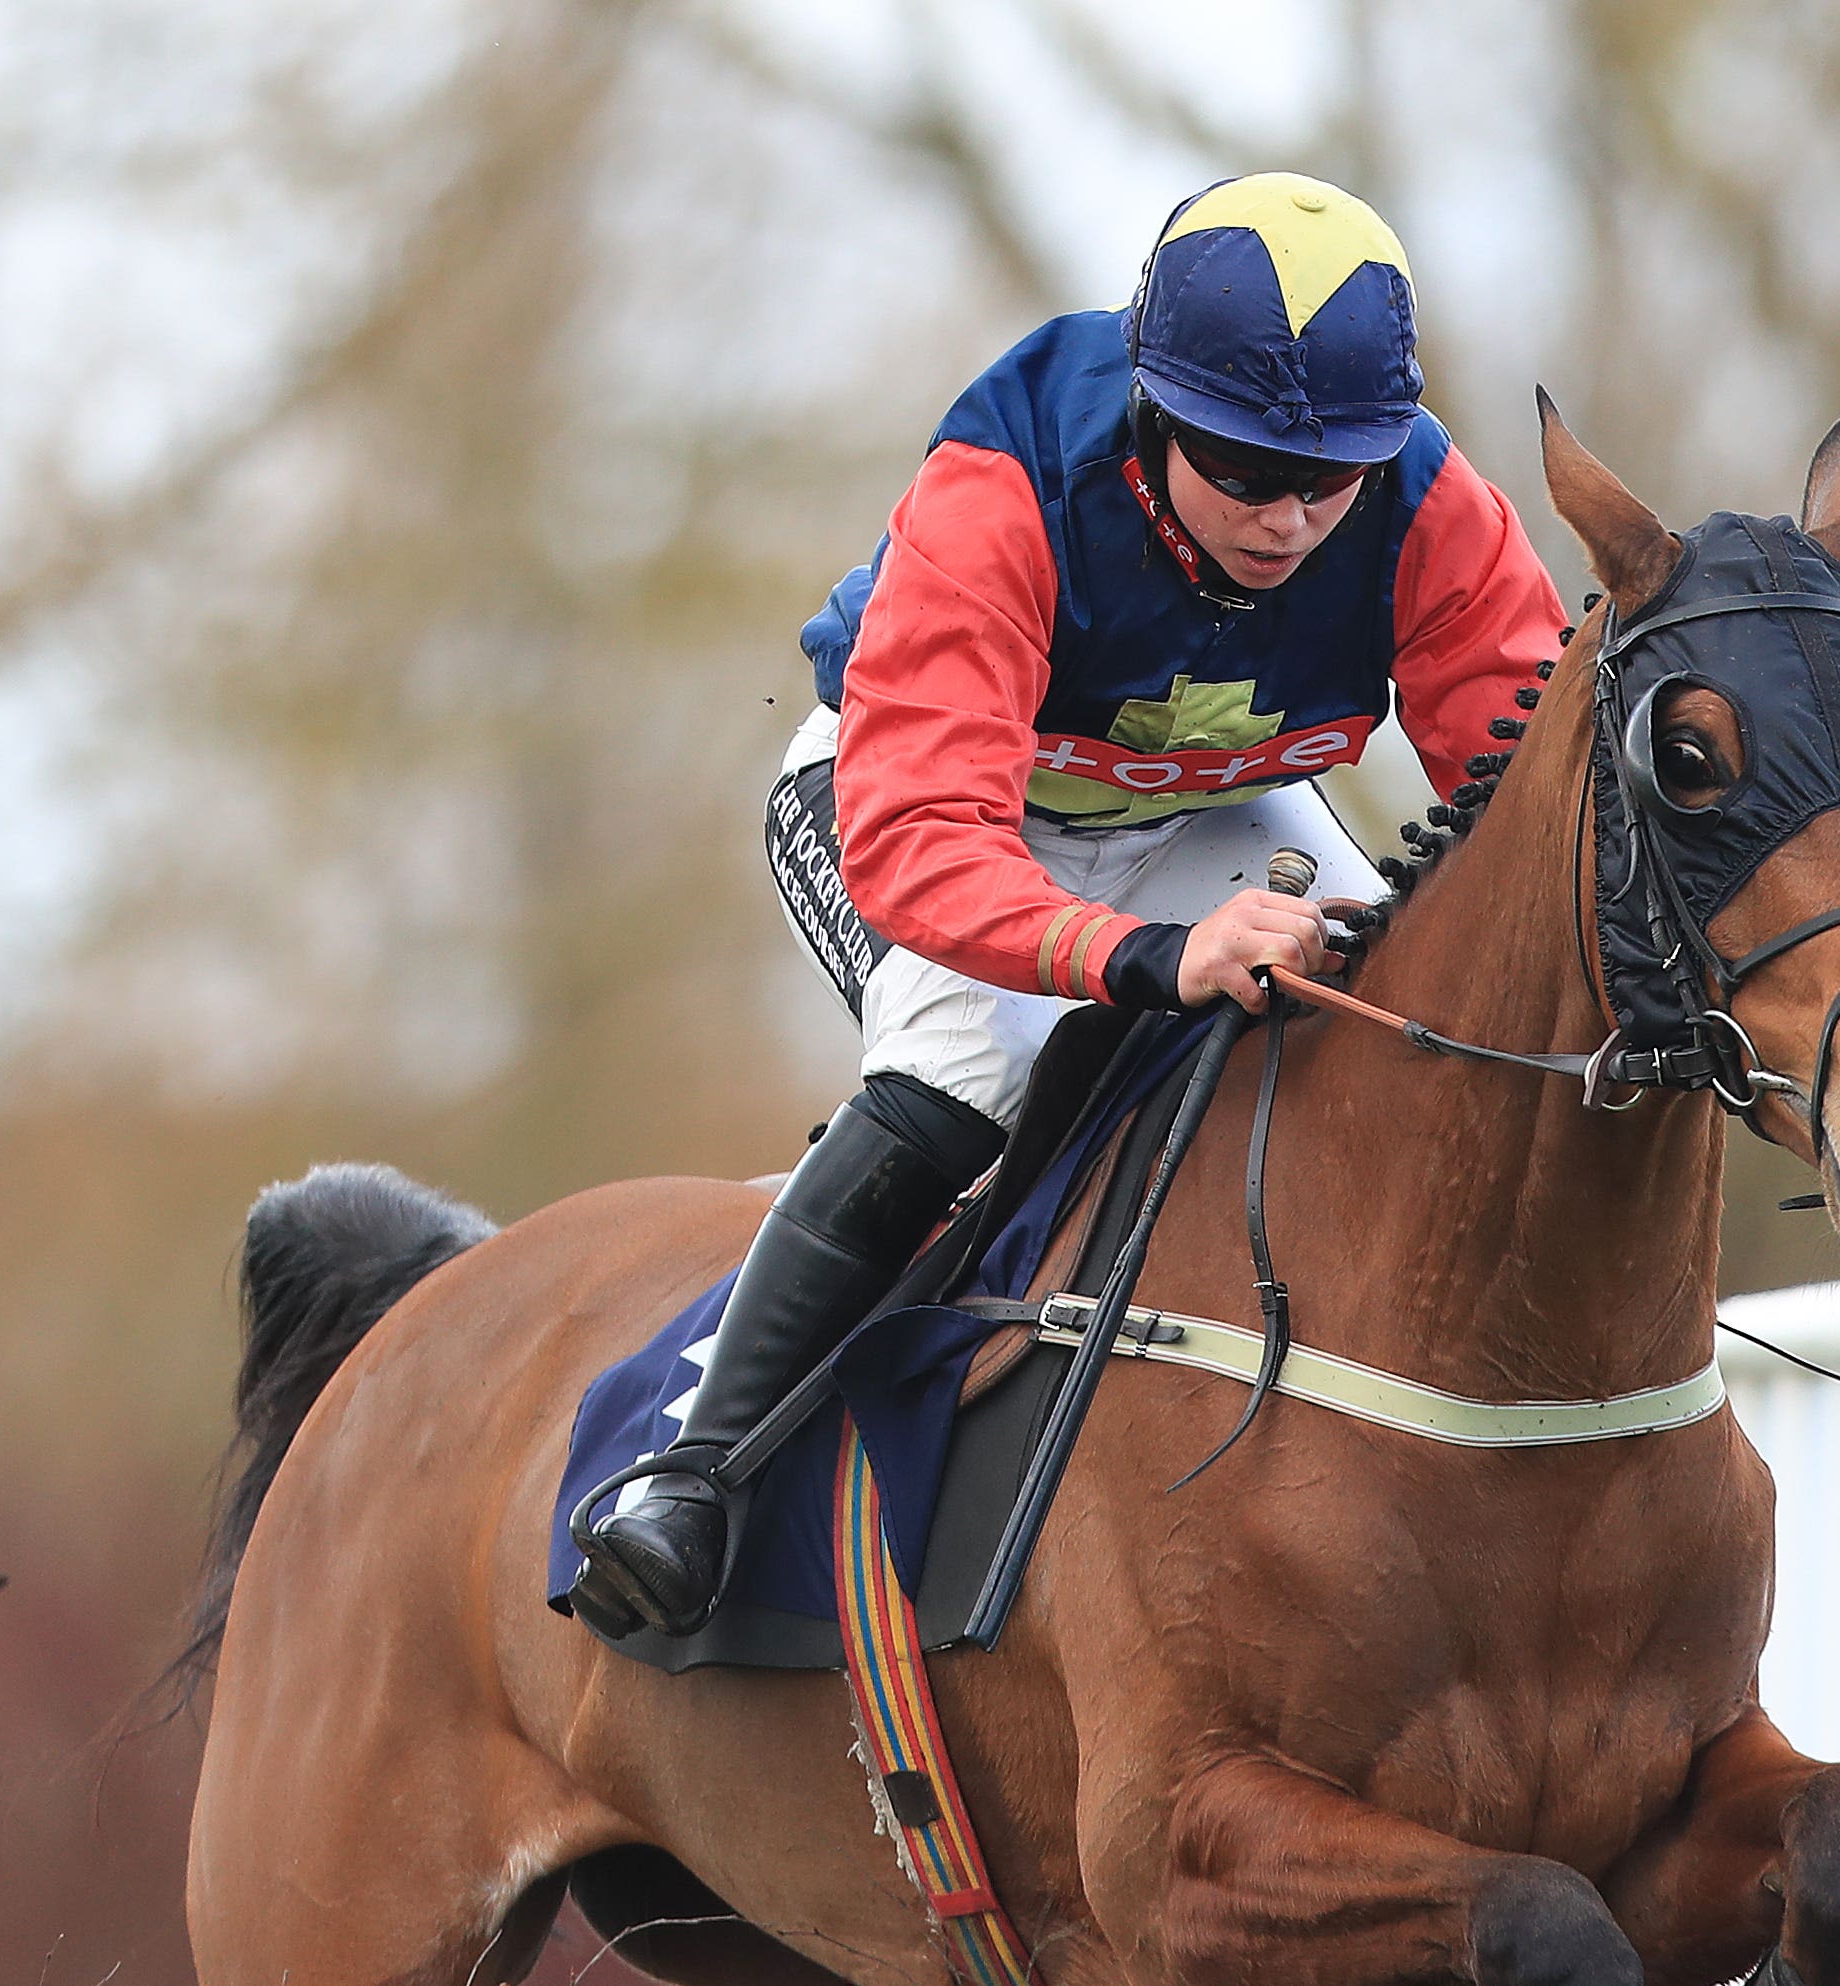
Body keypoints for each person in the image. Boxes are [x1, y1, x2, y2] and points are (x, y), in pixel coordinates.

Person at [571, 172, 1565, 1636]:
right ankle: (695, 1471)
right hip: (921, 804)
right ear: (1156, 413)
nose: (1289, 521)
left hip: (1203, 811)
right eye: (1240, 468)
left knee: (1404, 1024)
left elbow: (1529, 796)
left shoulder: (1424, 502)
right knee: (966, 1078)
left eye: (1327, 476)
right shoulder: (1009, 473)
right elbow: (921, 837)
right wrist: (1150, 959)